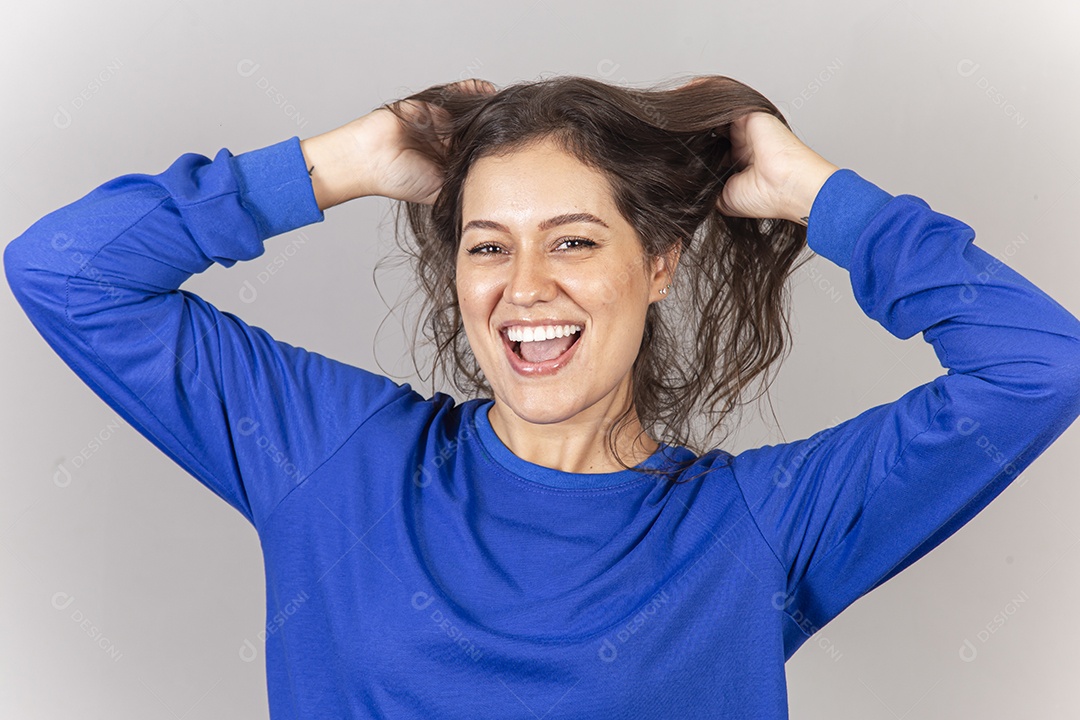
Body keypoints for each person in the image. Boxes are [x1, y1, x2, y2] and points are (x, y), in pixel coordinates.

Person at [5, 75, 1079, 719]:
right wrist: (353, 157)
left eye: (574, 241)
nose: (526, 289)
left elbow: (1038, 363)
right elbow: (65, 269)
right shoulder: (334, 458)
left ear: (659, 264)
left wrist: (816, 196)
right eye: (489, 246)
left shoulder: (757, 528)